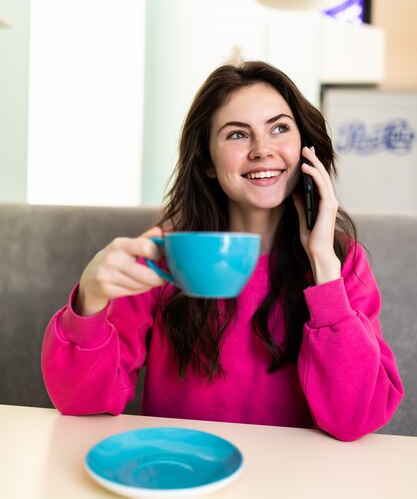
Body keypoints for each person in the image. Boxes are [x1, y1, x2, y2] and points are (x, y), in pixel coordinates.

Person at [41, 61, 404, 441]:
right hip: (185, 476)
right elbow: (82, 403)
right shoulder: (166, 257)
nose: (263, 150)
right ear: (207, 163)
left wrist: (324, 267)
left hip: (297, 486)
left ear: (305, 151)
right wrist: (89, 302)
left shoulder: (342, 262)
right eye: (236, 135)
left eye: (279, 128)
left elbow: (356, 419)